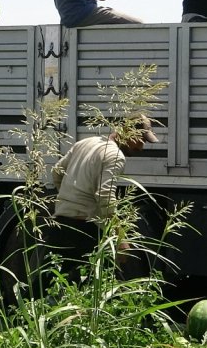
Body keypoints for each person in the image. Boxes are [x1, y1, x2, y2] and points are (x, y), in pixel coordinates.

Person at [47, 116, 159, 276]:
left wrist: (69, 199)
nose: (141, 147)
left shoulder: (85, 143)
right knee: (93, 286)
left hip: (61, 224)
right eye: (140, 139)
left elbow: (57, 171)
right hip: (85, 230)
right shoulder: (115, 155)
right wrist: (120, 238)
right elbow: (105, 197)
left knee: (53, 283)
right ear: (126, 131)